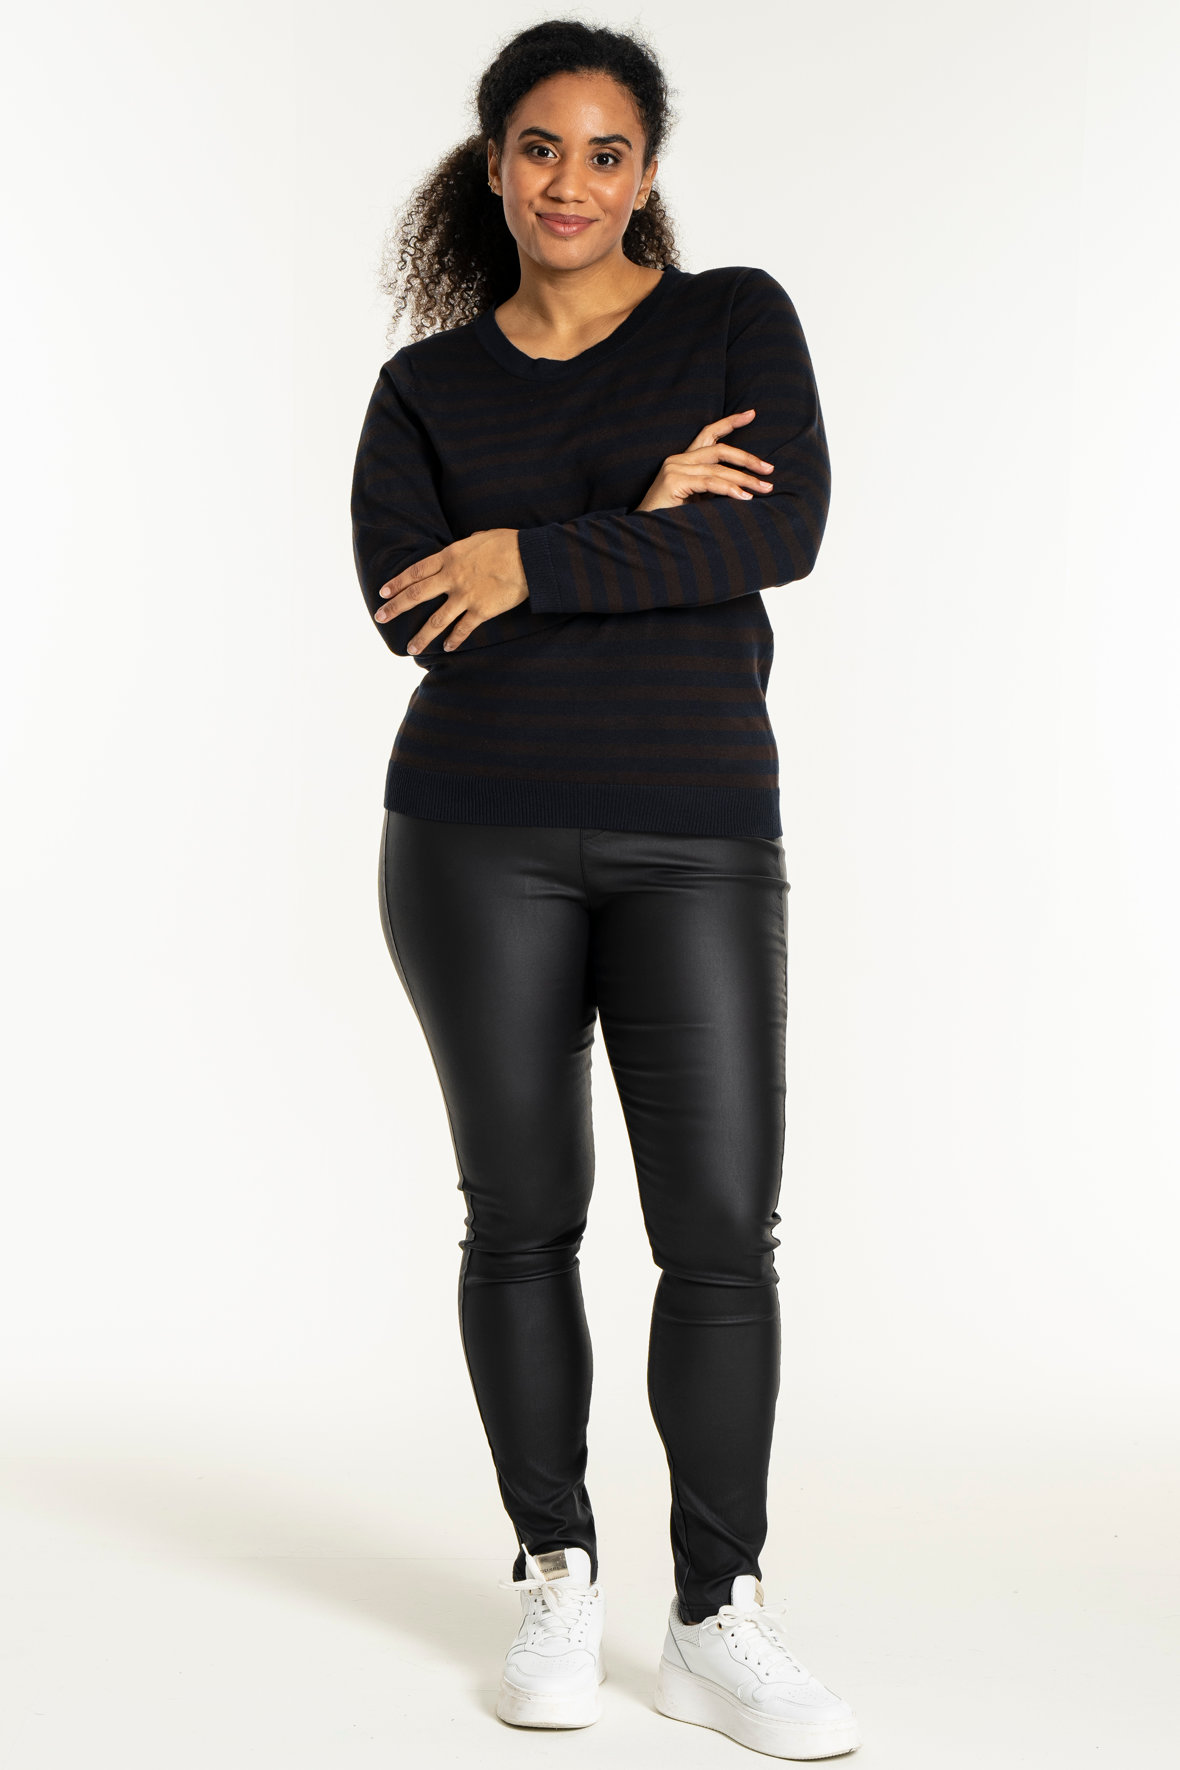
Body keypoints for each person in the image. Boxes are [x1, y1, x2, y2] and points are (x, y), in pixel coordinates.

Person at [350, 19, 860, 1761]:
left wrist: (532, 555)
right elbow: (412, 612)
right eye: (540, 148)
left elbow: (776, 532)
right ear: (492, 164)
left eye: (608, 151)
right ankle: (555, 1567)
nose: (571, 182)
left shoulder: (733, 321)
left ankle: (719, 1612)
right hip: (469, 835)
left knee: (719, 1231)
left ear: (647, 172)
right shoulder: (426, 390)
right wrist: (642, 518)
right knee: (523, 1218)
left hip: (695, 828)